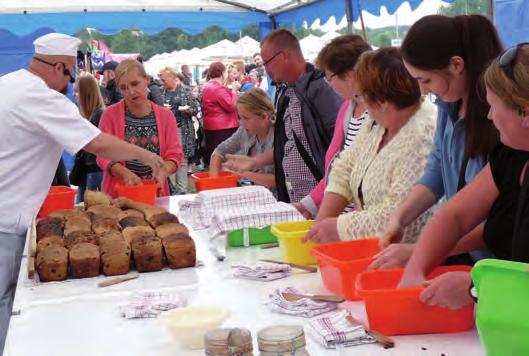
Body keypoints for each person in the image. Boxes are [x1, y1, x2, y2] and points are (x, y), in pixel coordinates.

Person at [0, 33, 166, 352]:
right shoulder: (40, 97)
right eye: (70, 76)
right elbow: (97, 143)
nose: (69, 85)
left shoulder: (8, 83)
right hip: (6, 219)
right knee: (8, 307)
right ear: (60, 66)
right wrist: (148, 157)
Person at [398, 43, 529, 310]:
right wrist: (416, 267)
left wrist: (476, 287)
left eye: (494, 107)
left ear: (525, 112)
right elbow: (455, 215)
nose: (490, 117)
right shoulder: (512, 154)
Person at [371, 14, 503, 269]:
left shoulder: (499, 120)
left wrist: (425, 250)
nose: (423, 91)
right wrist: (400, 217)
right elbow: (438, 169)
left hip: (500, 264)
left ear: (456, 65)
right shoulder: (448, 105)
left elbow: (498, 220)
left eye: (426, 81)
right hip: (469, 259)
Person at [303, 47, 436, 244]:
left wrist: (338, 227)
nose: (361, 103)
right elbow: (345, 167)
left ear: (382, 101)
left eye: (362, 96)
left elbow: (400, 216)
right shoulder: (378, 124)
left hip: (410, 256)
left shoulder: (421, 136)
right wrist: (321, 224)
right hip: (376, 252)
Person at [226, 29, 342, 203]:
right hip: (298, 201)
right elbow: (286, 145)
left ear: (284, 56)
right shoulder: (287, 93)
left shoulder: (321, 89)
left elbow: (340, 149)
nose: (265, 70)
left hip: (322, 201)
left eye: (267, 63)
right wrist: (255, 162)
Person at [292, 34, 371, 218]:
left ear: (350, 75)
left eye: (329, 77)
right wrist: (307, 205)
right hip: (339, 215)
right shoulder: (347, 107)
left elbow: (369, 186)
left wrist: (340, 222)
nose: (329, 84)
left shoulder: (379, 114)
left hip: (358, 220)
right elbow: (336, 170)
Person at [97, 59, 183, 197]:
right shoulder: (109, 115)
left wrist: (164, 171)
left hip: (155, 193)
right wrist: (124, 173)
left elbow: (175, 154)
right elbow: (103, 155)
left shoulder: (166, 116)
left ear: (146, 80)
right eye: (124, 88)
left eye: (135, 84)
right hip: (118, 195)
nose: (131, 92)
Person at [209, 88, 275, 190]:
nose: (242, 123)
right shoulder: (244, 131)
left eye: (246, 118)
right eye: (240, 118)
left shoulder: (280, 135)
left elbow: (279, 181)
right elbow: (219, 151)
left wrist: (241, 172)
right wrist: (213, 184)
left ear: (264, 116)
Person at [158, 67, 199, 194]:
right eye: (161, 80)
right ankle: (171, 189)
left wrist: (187, 111)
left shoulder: (185, 90)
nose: (162, 83)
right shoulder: (160, 92)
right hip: (166, 130)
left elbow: (195, 109)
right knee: (167, 158)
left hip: (182, 128)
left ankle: (182, 190)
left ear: (172, 77)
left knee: (182, 158)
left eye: (164, 80)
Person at [69, 74, 105, 201]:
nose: (74, 94)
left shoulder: (99, 115)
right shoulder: (88, 115)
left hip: (94, 171)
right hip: (87, 171)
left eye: (77, 91)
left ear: (86, 92)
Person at [201, 62, 240, 166]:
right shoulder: (218, 88)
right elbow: (231, 106)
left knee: (215, 156)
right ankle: (225, 179)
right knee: (224, 158)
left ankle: (217, 178)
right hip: (224, 127)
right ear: (223, 73)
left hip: (211, 126)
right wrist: (234, 92)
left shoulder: (206, 86)